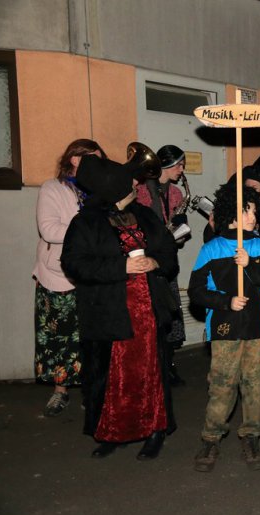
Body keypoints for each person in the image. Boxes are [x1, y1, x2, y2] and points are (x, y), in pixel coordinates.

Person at [61, 154, 178, 460]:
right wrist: (121, 266)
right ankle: (112, 431)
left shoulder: (145, 216)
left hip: (148, 311)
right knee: (110, 376)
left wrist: (155, 262)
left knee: (149, 373)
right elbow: (74, 263)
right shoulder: (85, 222)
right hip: (108, 311)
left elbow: (168, 251)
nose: (136, 185)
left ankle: (154, 430)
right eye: (129, 183)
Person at [188, 183, 260, 472]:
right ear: (232, 213)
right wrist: (226, 302)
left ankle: (251, 435)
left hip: (258, 327)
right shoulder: (212, 249)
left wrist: (250, 263)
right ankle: (211, 437)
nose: (254, 217)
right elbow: (196, 291)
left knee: (255, 382)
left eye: (254, 210)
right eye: (247, 211)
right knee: (222, 383)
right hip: (225, 328)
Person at [32, 139, 105, 416]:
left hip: (92, 273)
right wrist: (89, 231)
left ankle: (91, 390)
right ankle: (60, 392)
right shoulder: (52, 188)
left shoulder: (97, 191)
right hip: (58, 274)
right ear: (75, 159)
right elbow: (49, 230)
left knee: (89, 336)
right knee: (58, 337)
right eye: (93, 159)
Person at [135, 144, 188, 386]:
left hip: (167, 261)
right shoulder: (141, 191)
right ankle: (150, 367)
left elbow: (178, 235)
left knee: (169, 313)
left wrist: (180, 229)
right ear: (166, 165)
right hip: (145, 259)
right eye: (179, 164)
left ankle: (169, 364)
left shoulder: (176, 193)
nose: (182, 169)